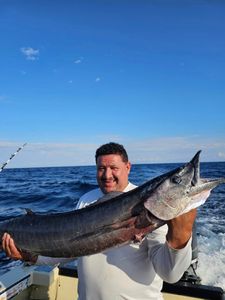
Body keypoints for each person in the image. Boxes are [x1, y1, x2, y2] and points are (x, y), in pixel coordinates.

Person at [2, 142, 204, 299]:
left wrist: (181, 236)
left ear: (128, 167)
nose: (107, 175)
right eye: (101, 168)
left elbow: (170, 274)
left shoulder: (152, 210)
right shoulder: (86, 200)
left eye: (114, 168)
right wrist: (30, 257)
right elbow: (68, 250)